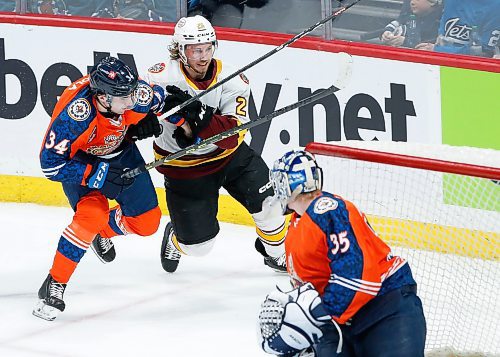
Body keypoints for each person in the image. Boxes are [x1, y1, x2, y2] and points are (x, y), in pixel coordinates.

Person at [144, 15, 287, 274]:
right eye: (195, 50)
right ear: (179, 50)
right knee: (199, 247)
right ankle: (176, 239)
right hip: (184, 168)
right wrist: (138, 124)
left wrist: (200, 118)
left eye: (208, 48)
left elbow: (233, 135)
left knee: (272, 206)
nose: (203, 56)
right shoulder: (160, 79)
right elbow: (132, 113)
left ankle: (275, 255)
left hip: (232, 158)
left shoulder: (233, 79)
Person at [33, 56, 171, 321]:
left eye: (132, 95)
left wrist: (159, 117)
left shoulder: (129, 94)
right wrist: (98, 176)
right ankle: (55, 282)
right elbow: (50, 165)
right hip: (82, 162)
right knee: (92, 215)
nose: (132, 102)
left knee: (148, 222)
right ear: (104, 98)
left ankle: (100, 233)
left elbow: (161, 97)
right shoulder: (76, 115)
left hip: (120, 153)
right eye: (124, 99)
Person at [258, 150, 426, 356]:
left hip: (384, 308)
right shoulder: (296, 226)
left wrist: (315, 314)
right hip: (341, 321)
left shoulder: (329, 211)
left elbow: (357, 275)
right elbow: (310, 287)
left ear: (285, 184)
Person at [434, 0, 500, 57]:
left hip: (473, 68)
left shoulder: (496, 6)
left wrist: (438, 50)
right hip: (440, 62)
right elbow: (441, 37)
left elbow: (485, 51)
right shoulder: (451, 2)